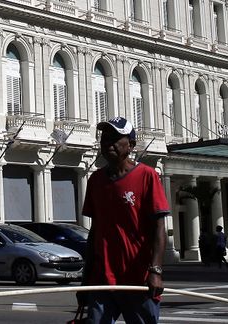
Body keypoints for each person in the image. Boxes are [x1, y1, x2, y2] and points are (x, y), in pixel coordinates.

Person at [80, 116, 170, 324]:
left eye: (114, 138)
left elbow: (159, 228)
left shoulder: (147, 176)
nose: (107, 143)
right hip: (102, 279)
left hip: (136, 279)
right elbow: (95, 232)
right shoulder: (96, 180)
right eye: (104, 139)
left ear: (130, 145)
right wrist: (86, 279)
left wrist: (155, 270)